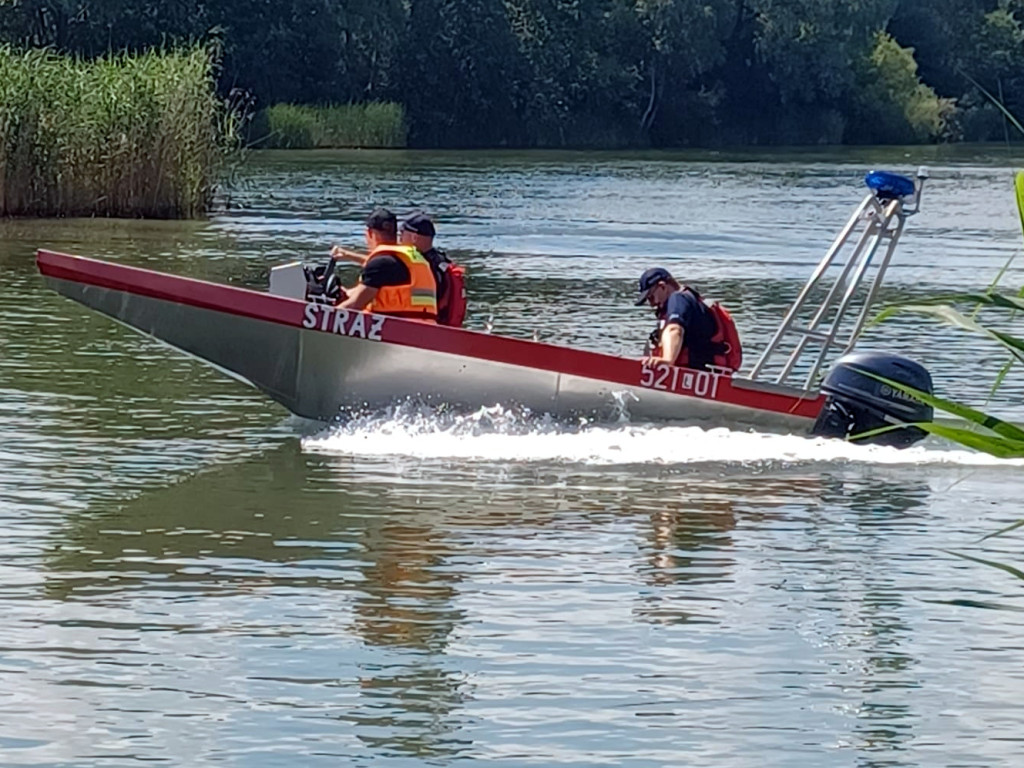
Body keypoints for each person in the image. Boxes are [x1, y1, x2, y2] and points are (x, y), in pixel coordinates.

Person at [332, 207, 438, 322]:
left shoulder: (380, 264)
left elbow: (355, 305)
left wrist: (326, 316)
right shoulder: (412, 258)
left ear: (370, 233)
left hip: (398, 330)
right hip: (425, 329)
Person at [635, 267, 743, 371]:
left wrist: (667, 360)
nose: (652, 304)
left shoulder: (678, 298)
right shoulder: (691, 300)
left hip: (696, 373)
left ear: (663, 287)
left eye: (651, 297)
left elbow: (674, 329)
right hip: (710, 373)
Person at [399, 211, 467, 327]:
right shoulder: (442, 262)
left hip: (421, 328)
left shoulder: (417, 265)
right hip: (442, 327)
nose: (400, 238)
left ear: (414, 237)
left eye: (402, 233)